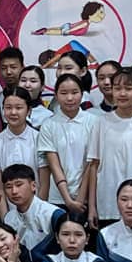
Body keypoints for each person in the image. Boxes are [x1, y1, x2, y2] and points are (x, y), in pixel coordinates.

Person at [83, 69, 132, 225]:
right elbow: (94, 166)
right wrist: (92, 207)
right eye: (117, 88)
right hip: (107, 203)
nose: (122, 93)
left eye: (128, 88)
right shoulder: (101, 122)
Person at [37, 75, 98, 215]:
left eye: (74, 92)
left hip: (87, 197)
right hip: (57, 198)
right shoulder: (48, 125)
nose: (69, 98)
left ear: (82, 94)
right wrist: (68, 201)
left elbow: (92, 163)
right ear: (56, 95)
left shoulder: (94, 122)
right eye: (64, 93)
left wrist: (80, 198)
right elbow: (54, 165)